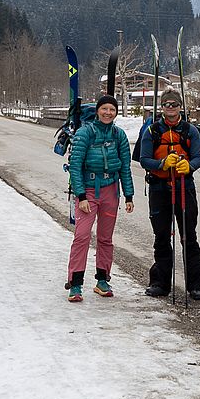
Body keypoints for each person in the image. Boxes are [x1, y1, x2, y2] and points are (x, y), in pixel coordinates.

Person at [138, 88, 200, 299]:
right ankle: (160, 283)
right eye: (167, 104)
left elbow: (198, 156)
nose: (171, 108)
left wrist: (189, 166)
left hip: (184, 187)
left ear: (180, 106)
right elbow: (143, 159)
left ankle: (196, 285)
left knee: (189, 235)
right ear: (162, 106)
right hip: (159, 187)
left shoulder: (190, 131)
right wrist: (161, 163)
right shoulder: (151, 131)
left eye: (174, 104)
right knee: (161, 236)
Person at [66, 94, 134, 302]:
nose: (108, 113)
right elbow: (75, 166)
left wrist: (128, 195)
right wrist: (81, 196)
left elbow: (125, 167)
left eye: (112, 110)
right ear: (97, 110)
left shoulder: (119, 135)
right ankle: (75, 283)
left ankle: (102, 280)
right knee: (82, 236)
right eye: (104, 109)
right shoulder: (85, 133)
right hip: (88, 190)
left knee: (105, 238)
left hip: (110, 191)